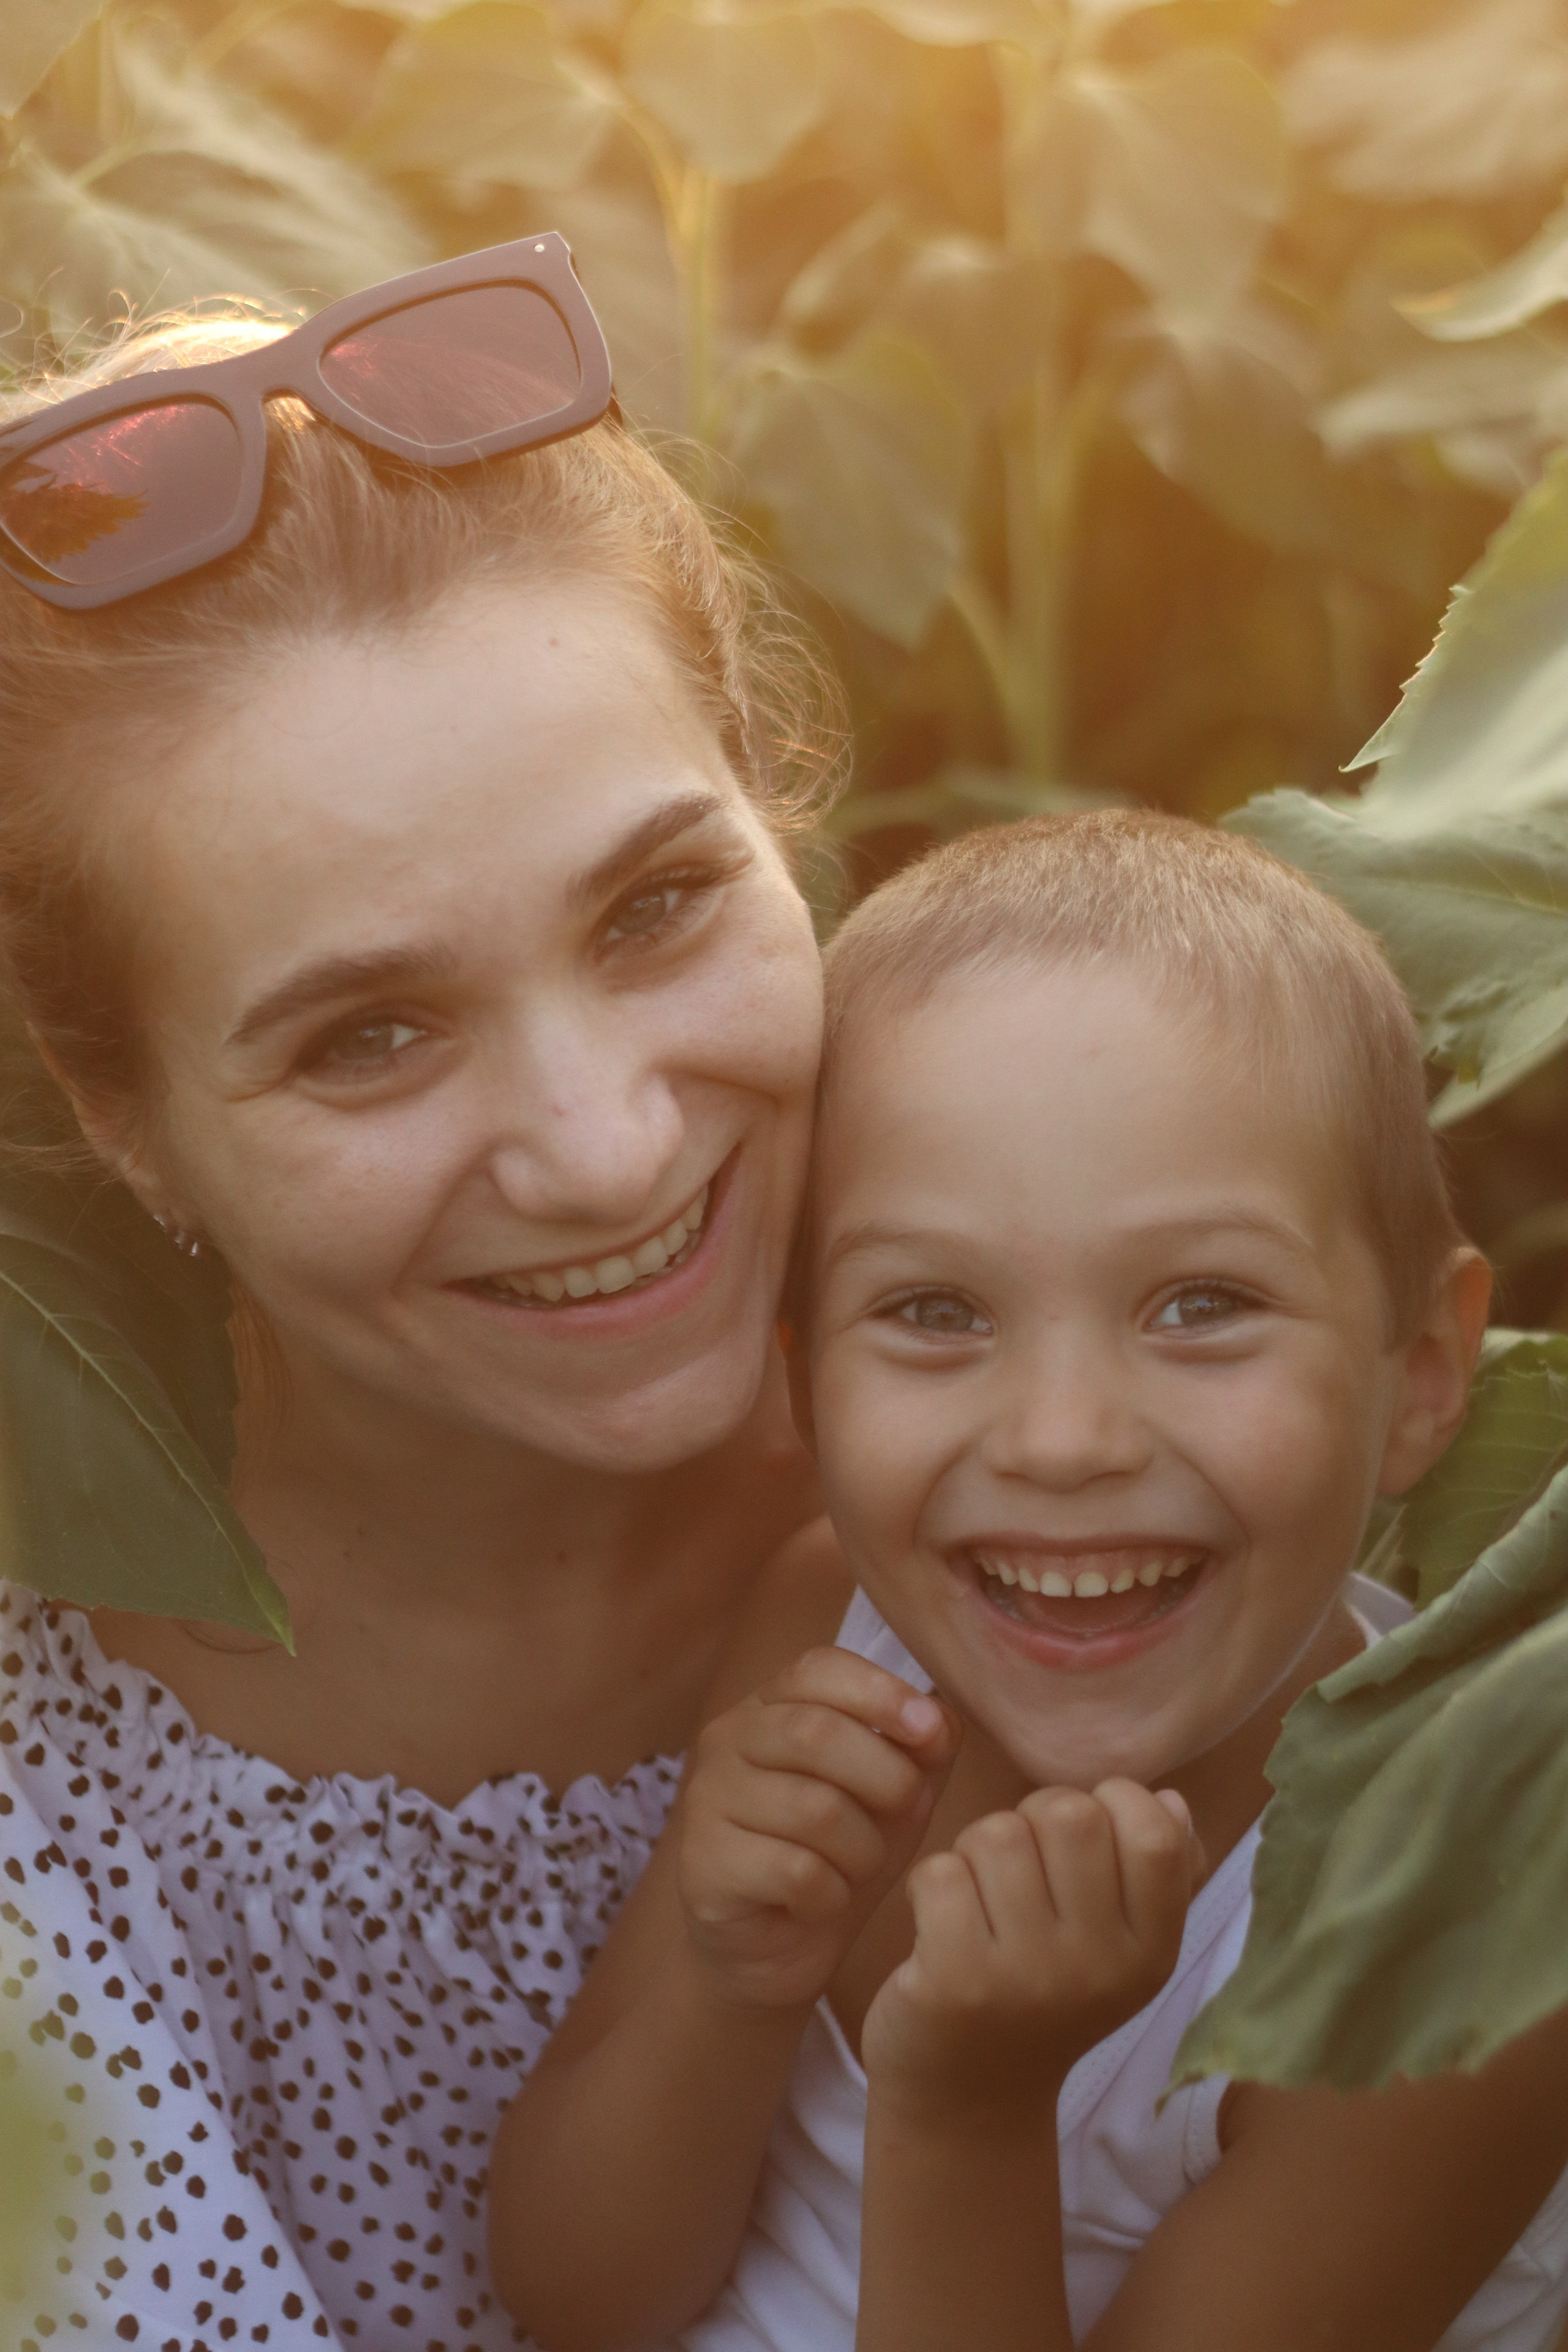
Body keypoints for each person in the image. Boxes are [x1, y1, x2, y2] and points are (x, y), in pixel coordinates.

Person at [0, 241, 843, 2351]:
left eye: (658, 905)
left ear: (773, 805)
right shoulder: (48, 1812)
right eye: (370, 1037)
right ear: (123, 1117)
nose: (610, 1148)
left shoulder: (1101, 1460)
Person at [490, 812, 1568, 2352]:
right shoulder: (823, 1637)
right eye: (932, 1309)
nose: (1061, 1442)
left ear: (1417, 1372)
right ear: (798, 1385)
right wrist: (726, 1983)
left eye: (1200, 1304)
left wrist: (970, 2111)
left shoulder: (1440, 1952)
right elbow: (573, 2293)